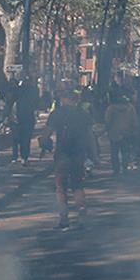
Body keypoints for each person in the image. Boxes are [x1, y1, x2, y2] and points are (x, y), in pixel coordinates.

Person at [42, 88, 94, 230]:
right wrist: (94, 155)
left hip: (62, 154)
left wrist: (45, 144)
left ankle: (64, 218)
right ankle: (82, 215)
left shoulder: (57, 113)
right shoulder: (83, 114)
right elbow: (90, 137)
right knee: (77, 185)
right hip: (79, 154)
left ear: (64, 99)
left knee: (61, 187)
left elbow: (46, 133)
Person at [105, 91, 138, 175]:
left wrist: (107, 129)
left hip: (114, 133)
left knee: (114, 153)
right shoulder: (130, 107)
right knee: (125, 151)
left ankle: (116, 169)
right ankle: (125, 167)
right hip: (127, 132)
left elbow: (107, 121)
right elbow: (134, 120)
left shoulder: (111, 108)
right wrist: (134, 130)